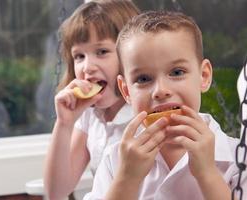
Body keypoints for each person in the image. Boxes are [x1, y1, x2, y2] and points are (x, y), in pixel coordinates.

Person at [84, 11, 247, 200]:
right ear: (126, 91)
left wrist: (208, 174)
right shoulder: (115, 161)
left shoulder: (238, 160)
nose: (160, 90)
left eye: (177, 72)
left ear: (203, 76)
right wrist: (126, 180)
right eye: (143, 79)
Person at [43, 1, 140, 199]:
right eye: (79, 56)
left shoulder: (144, 115)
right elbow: (56, 191)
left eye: (101, 52)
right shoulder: (89, 116)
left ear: (132, 53)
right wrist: (64, 124)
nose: (87, 67)